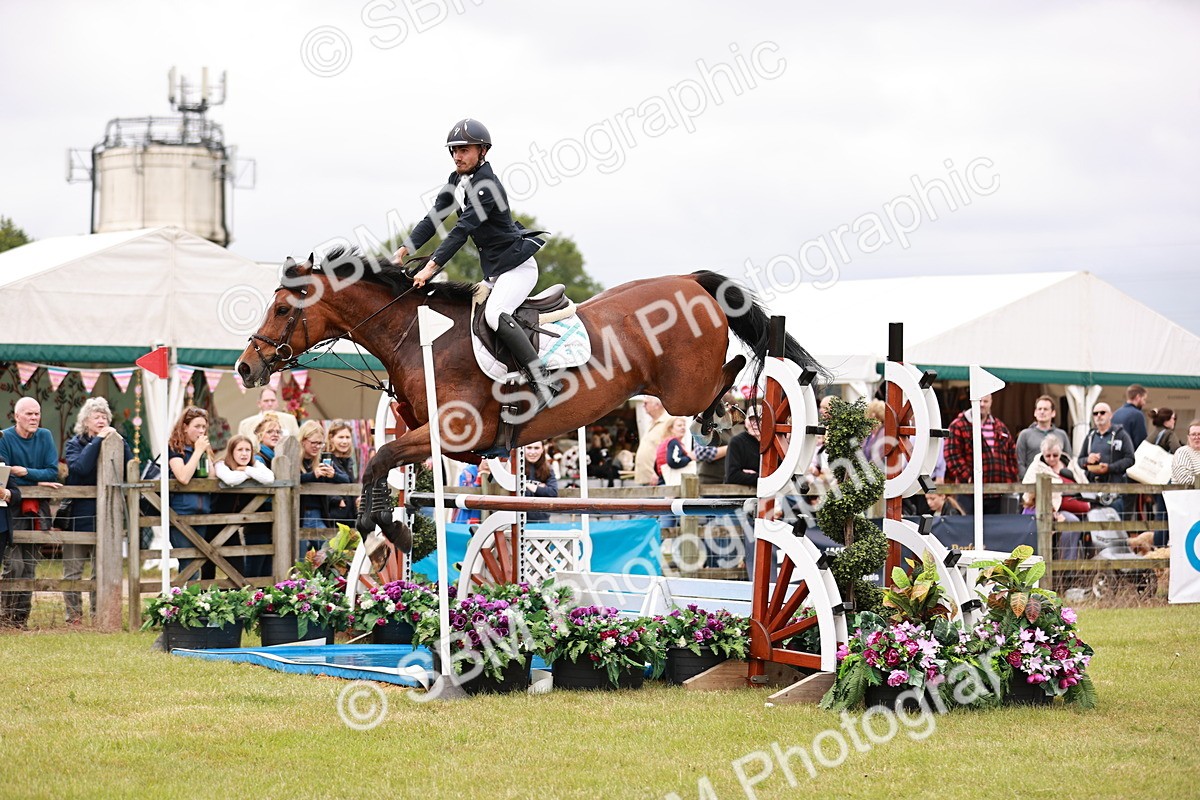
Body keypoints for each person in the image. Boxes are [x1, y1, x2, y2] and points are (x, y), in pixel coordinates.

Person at [394, 118, 560, 416]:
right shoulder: (456, 180)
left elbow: (461, 230)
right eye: (454, 150)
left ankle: (542, 381)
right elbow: (434, 218)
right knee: (470, 320)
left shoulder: (488, 186)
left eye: (464, 149)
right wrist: (403, 250)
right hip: (496, 272)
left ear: (483, 151)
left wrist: (430, 268)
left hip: (518, 267)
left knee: (496, 315)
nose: (458, 155)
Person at [62, 398, 134, 624]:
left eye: (105, 416)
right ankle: (73, 617)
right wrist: (98, 442)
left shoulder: (114, 441)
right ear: (85, 421)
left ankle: (98, 615)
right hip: (78, 516)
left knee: (100, 572)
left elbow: (130, 468)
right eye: (97, 416)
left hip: (107, 517)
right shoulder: (74, 444)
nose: (102, 420)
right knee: (73, 572)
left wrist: (121, 442)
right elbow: (80, 468)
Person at [0, 397, 62, 627]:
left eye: (37, 414)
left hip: (37, 511)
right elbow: (4, 474)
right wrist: (36, 479)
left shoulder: (44, 436)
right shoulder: (4, 437)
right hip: (11, 510)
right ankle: (5, 615)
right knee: (13, 564)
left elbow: (52, 472)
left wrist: (26, 472)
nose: (34, 418)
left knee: (29, 566)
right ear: (17, 416)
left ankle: (20, 619)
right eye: (29, 414)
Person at [943, 393, 1018, 514]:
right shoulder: (958, 425)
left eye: (986, 401)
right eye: (979, 401)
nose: (982, 404)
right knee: (968, 529)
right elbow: (951, 455)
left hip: (997, 493)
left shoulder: (1000, 427)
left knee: (996, 530)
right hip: (969, 492)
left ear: (991, 402)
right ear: (972, 401)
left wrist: (1010, 479)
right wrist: (968, 477)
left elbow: (1012, 455)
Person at [214, 434, 276, 579]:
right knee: (209, 566)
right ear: (231, 451)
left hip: (240, 520)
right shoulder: (221, 464)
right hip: (218, 522)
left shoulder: (253, 465)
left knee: (238, 570)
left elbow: (269, 478)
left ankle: (237, 597)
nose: (244, 453)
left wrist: (246, 470)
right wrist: (250, 475)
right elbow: (230, 479)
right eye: (239, 450)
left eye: (247, 450)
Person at [167, 406, 216, 579]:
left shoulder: (201, 449)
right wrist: (197, 452)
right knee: (189, 563)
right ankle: (186, 602)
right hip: (181, 513)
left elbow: (211, 477)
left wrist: (205, 453)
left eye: (204, 427)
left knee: (197, 561)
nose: (201, 430)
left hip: (202, 511)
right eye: (197, 426)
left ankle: (182, 601)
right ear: (185, 426)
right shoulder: (174, 448)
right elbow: (183, 477)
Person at [298, 420, 349, 557]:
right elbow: (292, 480)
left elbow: (346, 479)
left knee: (328, 555)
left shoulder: (324, 458)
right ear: (303, 441)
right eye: (313, 443)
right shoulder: (293, 459)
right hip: (297, 515)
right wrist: (313, 475)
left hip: (317, 514)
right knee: (300, 559)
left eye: (320, 443)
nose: (317, 447)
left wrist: (333, 474)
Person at [1078, 402, 1135, 515]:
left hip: (1115, 490)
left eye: (1102, 412)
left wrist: (1110, 468)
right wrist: (1087, 460)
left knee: (1114, 526)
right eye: (1095, 413)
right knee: (1094, 526)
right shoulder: (1090, 436)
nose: (1099, 415)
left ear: (1111, 415)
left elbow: (1130, 459)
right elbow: (1080, 460)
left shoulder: (1121, 434)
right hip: (1093, 490)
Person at [1015, 395, 1072, 476]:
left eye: (1045, 409)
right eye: (1039, 409)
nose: (1042, 412)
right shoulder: (1024, 435)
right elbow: (1019, 462)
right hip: (1032, 482)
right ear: (1035, 412)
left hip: (1058, 482)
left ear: (1053, 413)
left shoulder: (1062, 435)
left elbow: (1069, 461)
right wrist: (1026, 480)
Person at [324, 420, 358, 528]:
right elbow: (323, 485)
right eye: (341, 437)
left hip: (350, 514)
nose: (345, 441)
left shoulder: (349, 461)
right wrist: (337, 500)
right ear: (331, 438)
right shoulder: (326, 459)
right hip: (334, 515)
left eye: (347, 437)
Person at [634, 397, 673, 485]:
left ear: (657, 405)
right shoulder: (651, 422)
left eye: (646, 403)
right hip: (646, 478)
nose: (643, 406)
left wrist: (658, 473)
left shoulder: (668, 423)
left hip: (656, 479)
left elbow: (669, 451)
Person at [518, 441, 559, 522]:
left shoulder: (548, 469)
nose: (532, 452)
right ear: (522, 449)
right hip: (519, 522)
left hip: (542, 522)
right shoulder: (515, 467)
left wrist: (529, 486)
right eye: (529, 448)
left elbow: (553, 492)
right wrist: (541, 489)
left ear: (542, 449)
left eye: (536, 448)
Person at [655, 417, 697, 486]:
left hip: (663, 482)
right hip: (671, 484)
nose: (683, 428)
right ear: (671, 429)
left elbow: (656, 465)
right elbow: (673, 461)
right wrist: (689, 458)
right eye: (679, 425)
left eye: (684, 425)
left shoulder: (664, 443)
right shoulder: (673, 442)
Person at [725, 414, 762, 487]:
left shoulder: (773, 443)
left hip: (767, 494)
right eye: (751, 419)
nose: (755, 423)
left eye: (759, 420)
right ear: (745, 421)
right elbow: (732, 476)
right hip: (737, 495)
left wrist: (753, 476)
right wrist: (761, 477)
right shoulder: (736, 442)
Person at [1111, 384, 1149, 449]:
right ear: (1138, 397)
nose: (1144, 403)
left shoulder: (1116, 413)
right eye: (1144, 399)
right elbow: (1141, 442)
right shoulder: (1137, 415)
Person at [1170, 420, 1200, 489]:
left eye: (1199, 434)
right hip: (1185, 497)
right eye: (1193, 434)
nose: (1197, 437)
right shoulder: (1182, 452)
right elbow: (1184, 479)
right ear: (1188, 437)